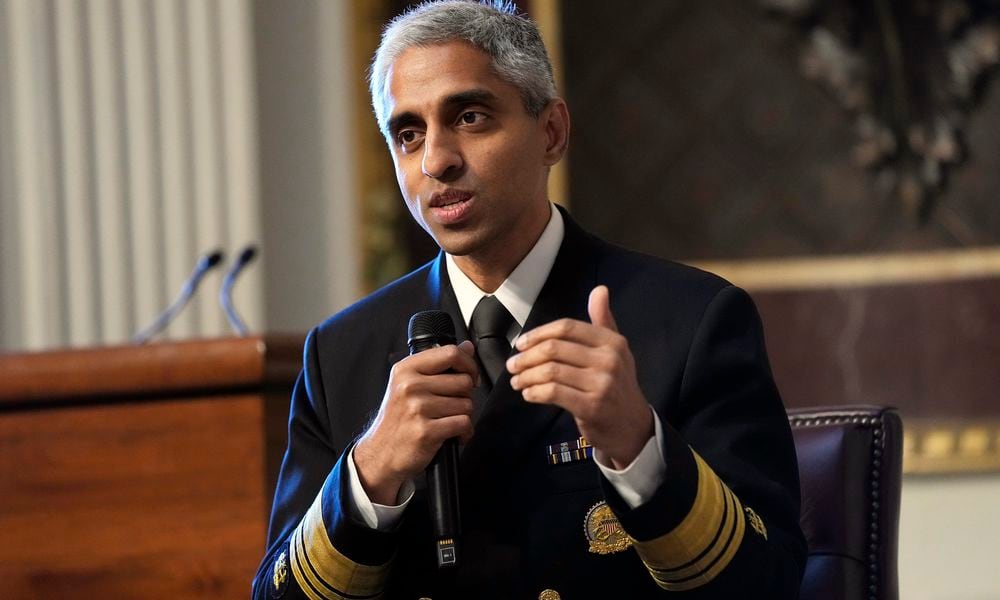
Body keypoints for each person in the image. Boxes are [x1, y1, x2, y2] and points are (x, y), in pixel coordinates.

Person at [252, 1, 806, 598]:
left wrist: (639, 444)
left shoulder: (693, 320)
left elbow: (768, 581)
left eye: (469, 117)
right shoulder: (340, 354)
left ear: (551, 132)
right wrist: (368, 477)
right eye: (408, 134)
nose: (436, 160)